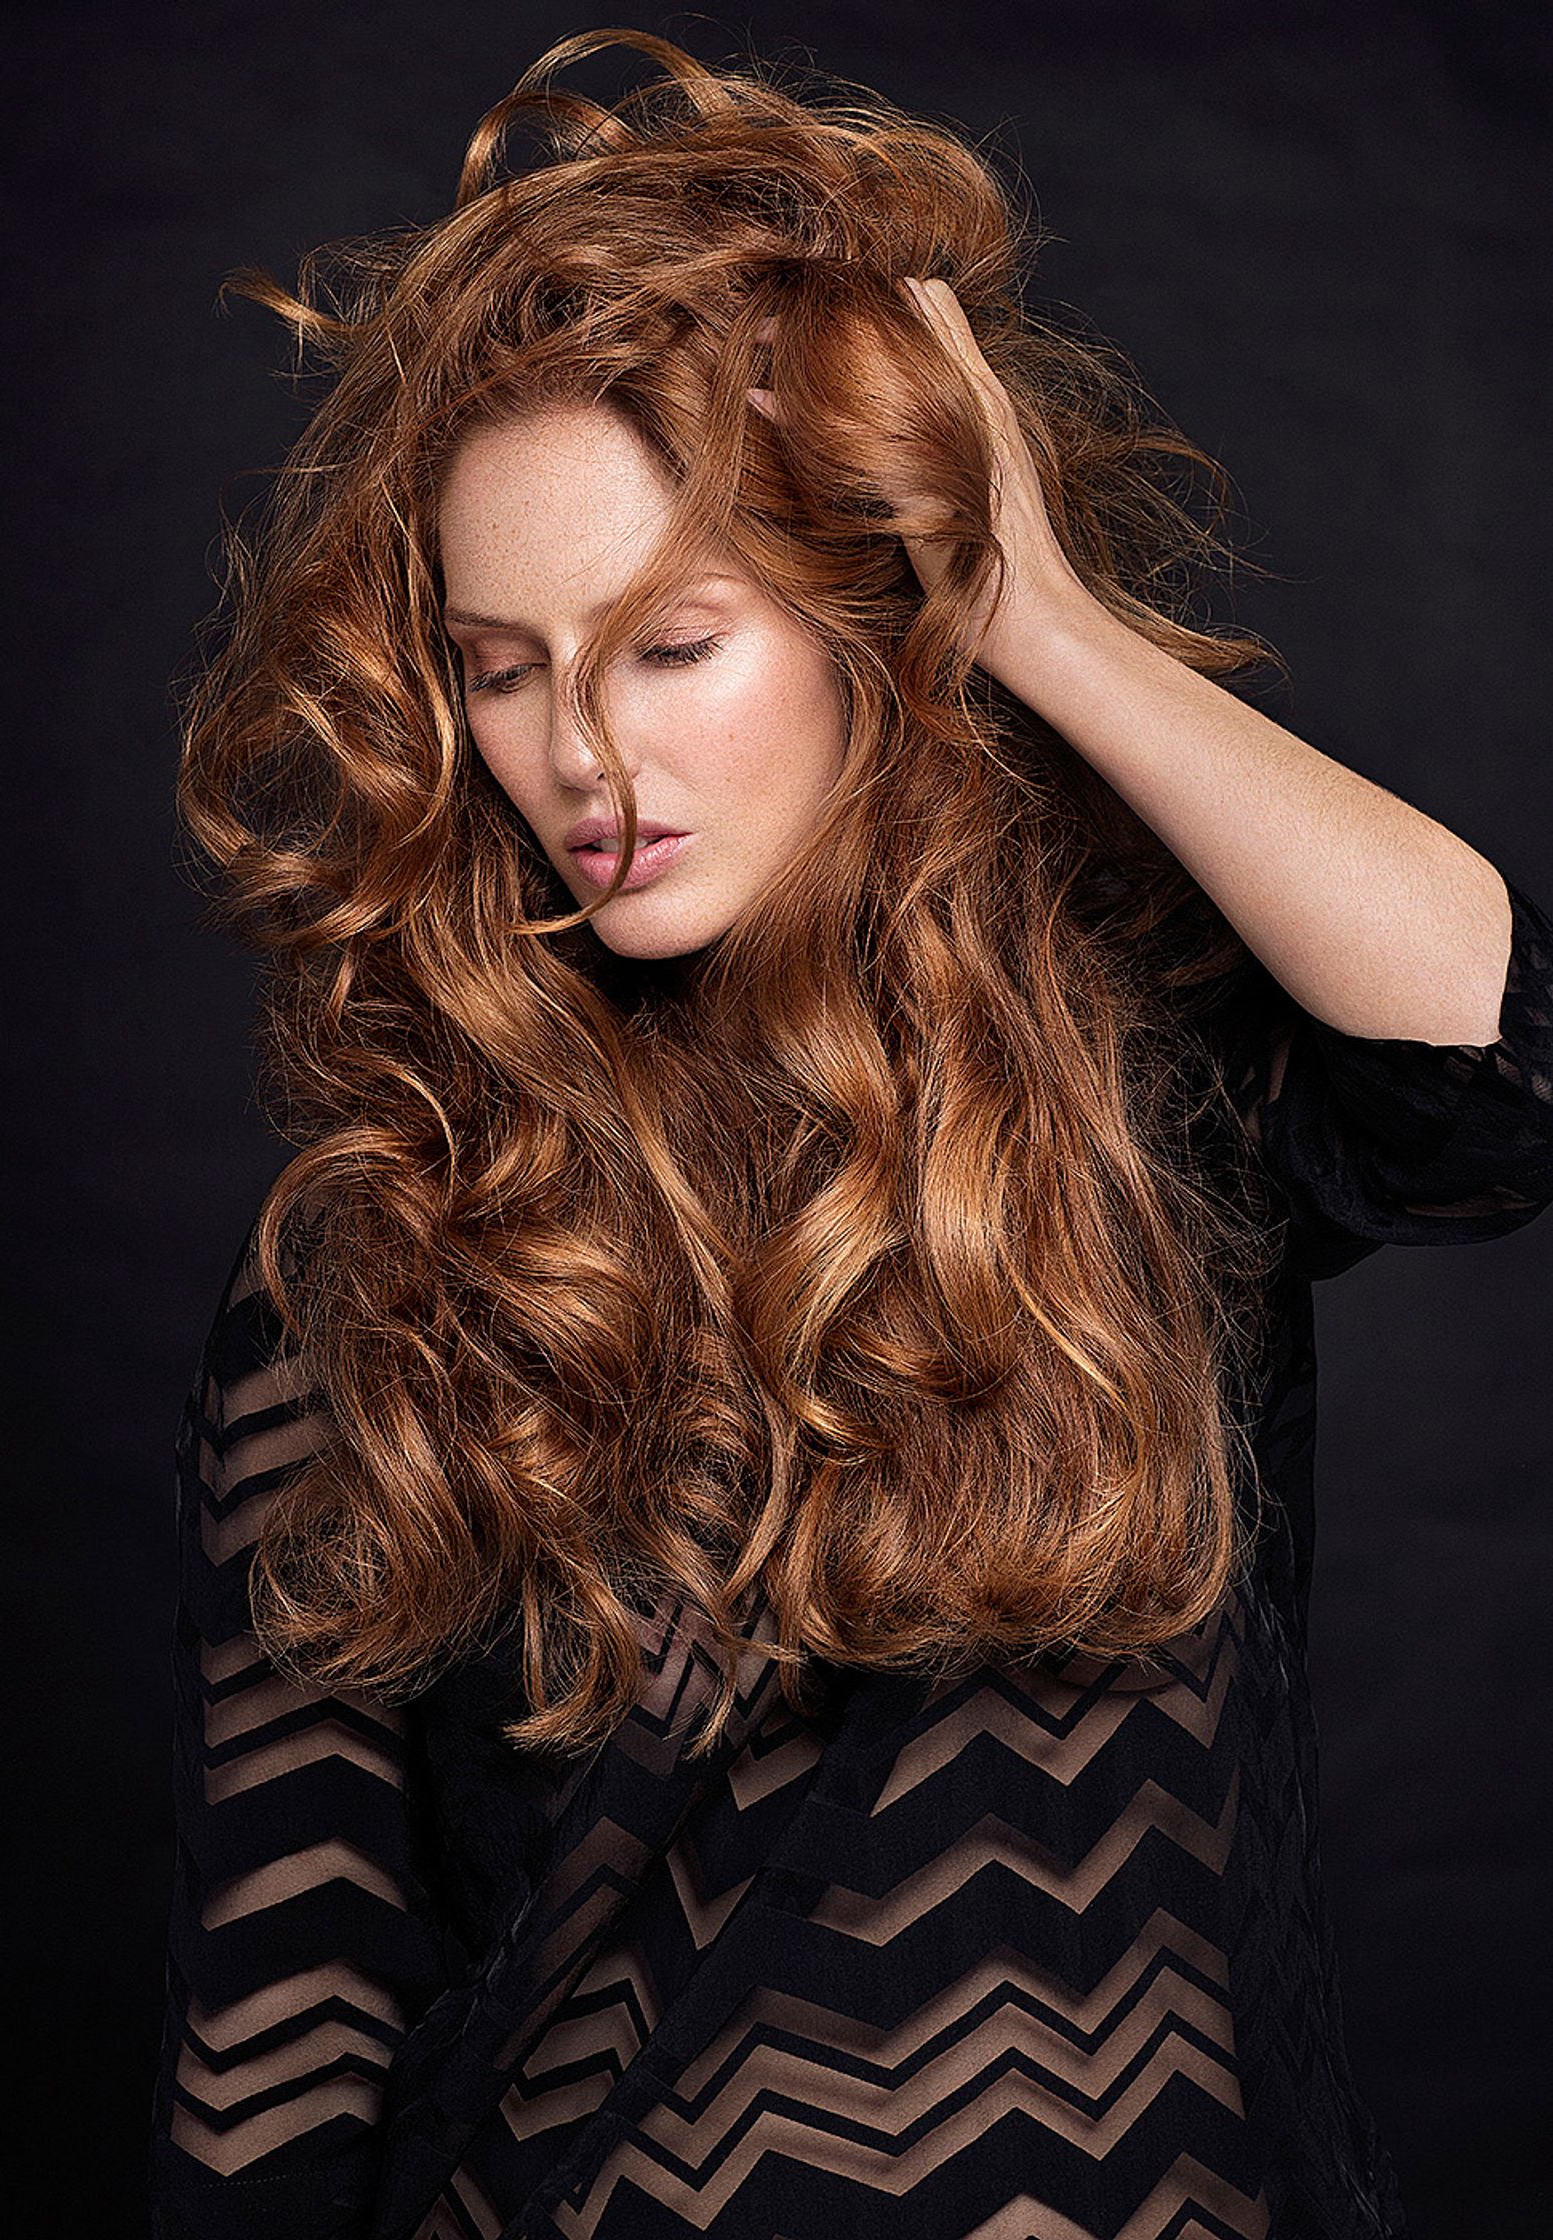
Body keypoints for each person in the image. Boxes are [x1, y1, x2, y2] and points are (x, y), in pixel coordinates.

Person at [145, 27, 1553, 2240]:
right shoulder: (390, 1237)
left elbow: (1501, 1076)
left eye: (671, 641)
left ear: (866, 616)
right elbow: (283, 2015)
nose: (583, 752)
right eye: (504, 667)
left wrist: (1043, 618)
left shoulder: (1136, 1089)